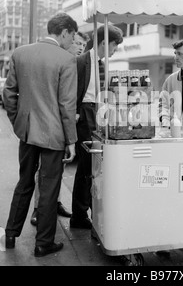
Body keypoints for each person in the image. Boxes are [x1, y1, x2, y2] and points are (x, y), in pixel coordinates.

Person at [3, 12, 78, 257]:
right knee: (48, 189)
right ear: (65, 32)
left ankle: (11, 234)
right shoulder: (66, 60)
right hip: (53, 136)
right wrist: (72, 141)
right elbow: (67, 106)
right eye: (72, 36)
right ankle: (43, 243)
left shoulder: (20, 53)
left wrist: (18, 123)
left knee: (24, 182)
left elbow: (8, 94)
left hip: (27, 132)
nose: (72, 41)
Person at [30, 30, 90, 227]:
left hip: (68, 123)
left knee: (60, 167)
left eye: (83, 44)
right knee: (45, 169)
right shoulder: (61, 62)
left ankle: (54, 204)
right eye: (78, 42)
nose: (80, 47)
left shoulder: (77, 64)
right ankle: (39, 209)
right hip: (51, 124)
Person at [70, 24, 123, 229]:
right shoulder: (81, 61)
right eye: (114, 45)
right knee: (87, 164)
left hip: (99, 112)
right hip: (85, 112)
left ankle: (87, 210)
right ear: (103, 43)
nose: (115, 49)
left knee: (95, 165)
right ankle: (79, 215)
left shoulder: (103, 64)